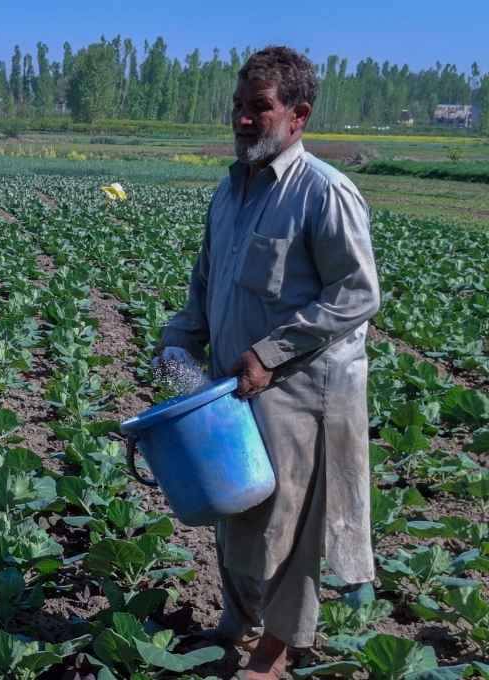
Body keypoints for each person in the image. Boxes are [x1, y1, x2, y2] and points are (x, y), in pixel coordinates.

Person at [156, 46, 380, 679]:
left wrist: (272, 351)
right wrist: (179, 336)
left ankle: (276, 652)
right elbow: (207, 283)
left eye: (260, 108)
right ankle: (237, 619)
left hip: (304, 388)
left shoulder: (324, 193)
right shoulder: (230, 193)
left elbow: (358, 293)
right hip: (235, 384)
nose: (244, 120)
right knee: (235, 506)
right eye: (239, 107)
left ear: (298, 115)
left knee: (290, 524)